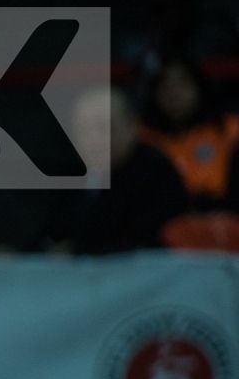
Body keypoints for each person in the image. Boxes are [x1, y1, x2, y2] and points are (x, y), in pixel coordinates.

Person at [55, 86, 190, 254]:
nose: (94, 139)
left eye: (105, 128)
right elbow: (51, 233)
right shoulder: (73, 173)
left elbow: (143, 240)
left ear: (132, 126)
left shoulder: (154, 171)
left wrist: (77, 250)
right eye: (84, 130)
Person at [137, 54, 239, 210]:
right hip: (161, 220)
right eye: (165, 86)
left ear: (198, 85)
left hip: (223, 219)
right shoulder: (142, 136)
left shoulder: (229, 128)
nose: (174, 93)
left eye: (182, 83)